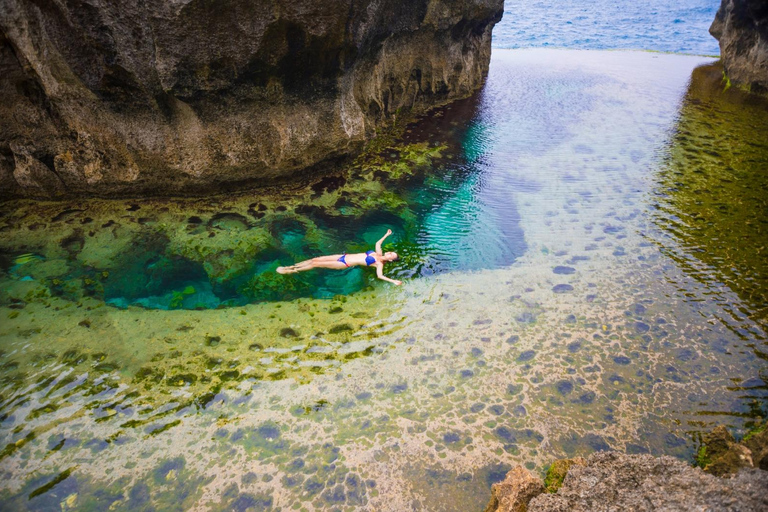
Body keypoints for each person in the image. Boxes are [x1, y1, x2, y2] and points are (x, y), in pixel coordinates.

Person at [276, 229, 402, 285]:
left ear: (390, 259)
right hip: (343, 256)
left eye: (391, 254)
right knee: (315, 259)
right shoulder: (378, 253)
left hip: (343, 264)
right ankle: (292, 266)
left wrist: (393, 281)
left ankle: (291, 271)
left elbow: (380, 276)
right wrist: (386, 235)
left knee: (315, 265)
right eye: (391, 252)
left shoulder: (379, 264)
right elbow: (377, 243)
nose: (389, 252)